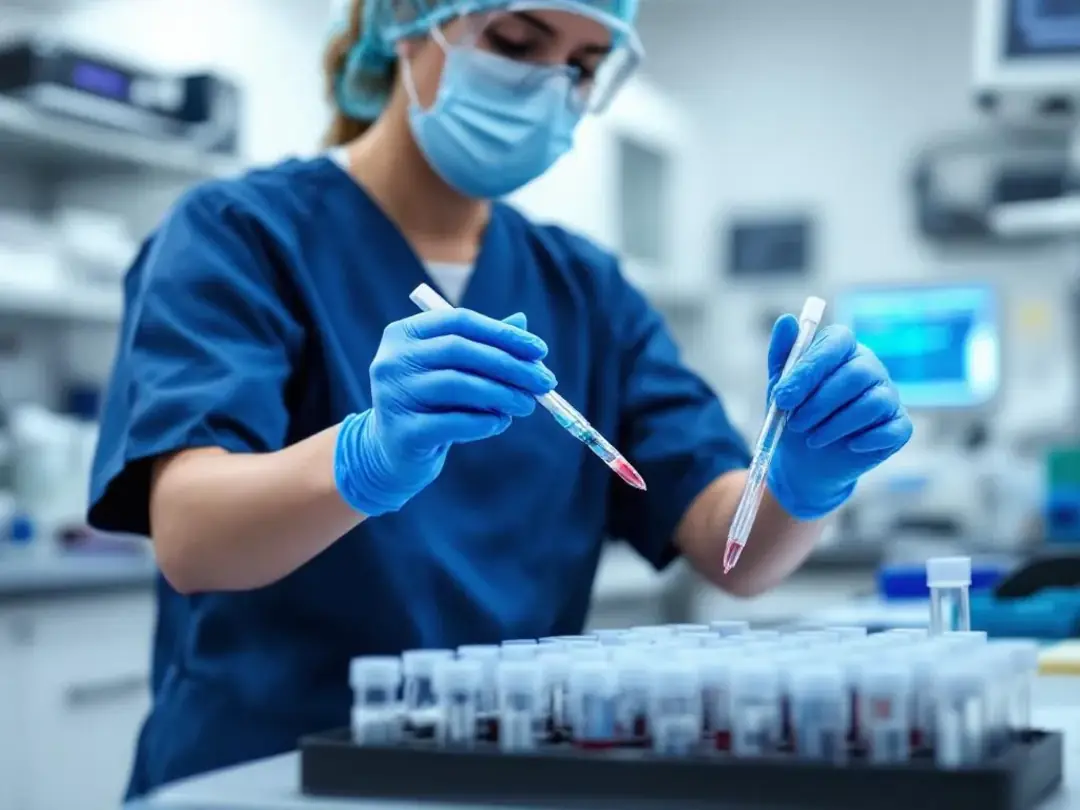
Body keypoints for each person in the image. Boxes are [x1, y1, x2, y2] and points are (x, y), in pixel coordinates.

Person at [88, 0, 913, 798]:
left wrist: (807, 478)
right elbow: (192, 536)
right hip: (270, 774)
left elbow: (732, 552)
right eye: (518, 41)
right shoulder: (239, 234)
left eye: (584, 66)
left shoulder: (585, 287)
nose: (551, 85)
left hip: (509, 773)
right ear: (402, 20)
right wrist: (364, 459)